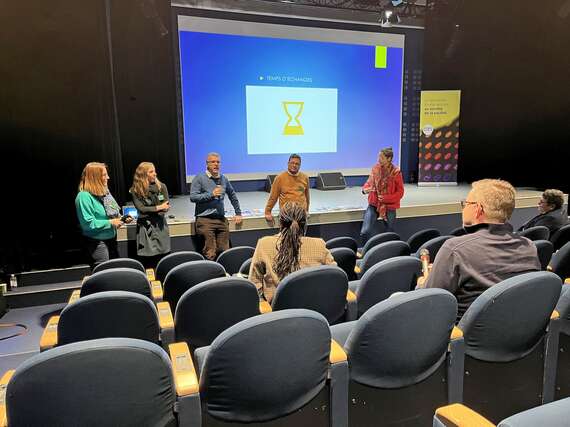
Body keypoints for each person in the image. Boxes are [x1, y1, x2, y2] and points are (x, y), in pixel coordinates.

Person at [422, 179, 540, 321]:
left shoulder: (455, 249)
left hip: (461, 336)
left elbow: (429, 302)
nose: (463, 208)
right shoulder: (529, 247)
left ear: (477, 209)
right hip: (515, 332)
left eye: (465, 204)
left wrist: (423, 283)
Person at [250, 202, 336, 302]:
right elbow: (335, 276)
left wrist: (263, 304)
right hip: (313, 310)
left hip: (276, 313)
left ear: (281, 224)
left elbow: (254, 281)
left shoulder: (264, 244)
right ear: (305, 225)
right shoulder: (319, 244)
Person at [190, 152, 242, 260]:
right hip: (205, 220)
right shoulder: (199, 178)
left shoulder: (223, 179)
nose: (216, 164)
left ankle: (225, 275)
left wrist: (238, 213)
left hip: (221, 220)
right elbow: (193, 197)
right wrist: (211, 195)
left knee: (225, 253)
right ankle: (212, 274)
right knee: (210, 253)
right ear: (207, 164)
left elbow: (232, 195)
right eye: (213, 162)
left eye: (218, 162)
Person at [75, 162, 128, 269]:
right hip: (97, 244)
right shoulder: (84, 197)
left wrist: (121, 219)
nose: (108, 177)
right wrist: (111, 222)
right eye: (104, 175)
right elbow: (88, 224)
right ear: (95, 177)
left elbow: (113, 213)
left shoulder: (105, 193)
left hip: (112, 240)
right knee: (104, 276)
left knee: (116, 273)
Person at [360, 147, 404, 244]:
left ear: (389, 159)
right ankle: (366, 252)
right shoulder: (375, 168)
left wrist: (386, 198)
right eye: (378, 157)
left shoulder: (396, 172)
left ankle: (388, 253)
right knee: (365, 232)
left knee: (389, 234)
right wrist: (364, 189)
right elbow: (369, 182)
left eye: (381, 157)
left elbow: (400, 192)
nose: (378, 159)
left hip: (389, 206)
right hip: (374, 204)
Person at [130, 162, 171, 267]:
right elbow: (141, 209)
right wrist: (158, 208)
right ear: (143, 174)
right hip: (145, 229)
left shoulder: (161, 187)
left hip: (160, 226)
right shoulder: (136, 190)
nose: (155, 174)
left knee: (163, 257)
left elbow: (165, 207)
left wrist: (155, 209)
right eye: (151, 171)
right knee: (148, 259)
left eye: (155, 171)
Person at [264, 154, 310, 226]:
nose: (294, 165)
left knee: (300, 237)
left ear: (300, 165)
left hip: (301, 215)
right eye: (292, 163)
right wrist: (267, 212)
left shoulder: (305, 178)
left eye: (297, 164)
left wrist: (307, 211)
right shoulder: (279, 178)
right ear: (288, 164)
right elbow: (273, 197)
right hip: (286, 216)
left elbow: (307, 197)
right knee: (286, 237)